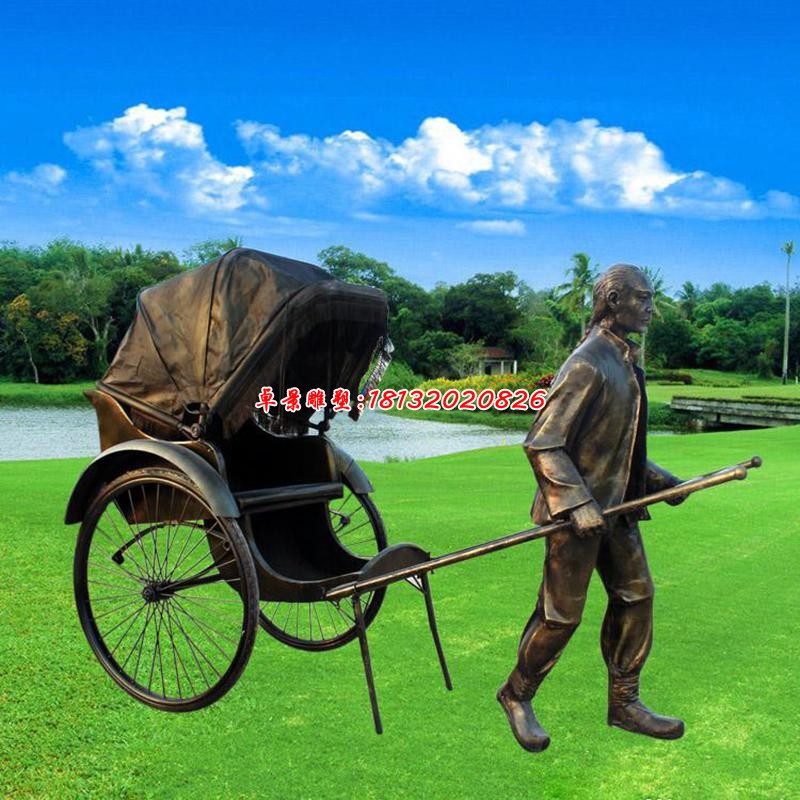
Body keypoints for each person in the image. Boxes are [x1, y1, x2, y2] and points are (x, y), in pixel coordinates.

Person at [497, 264, 686, 753]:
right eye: (642, 298)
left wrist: (661, 482)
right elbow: (543, 442)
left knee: (637, 597)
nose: (651, 308)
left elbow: (619, 449)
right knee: (560, 617)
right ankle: (517, 694)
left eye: (651, 298)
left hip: (617, 512)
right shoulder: (589, 361)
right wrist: (577, 503)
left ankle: (624, 702)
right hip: (576, 518)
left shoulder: (627, 362)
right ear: (614, 300)